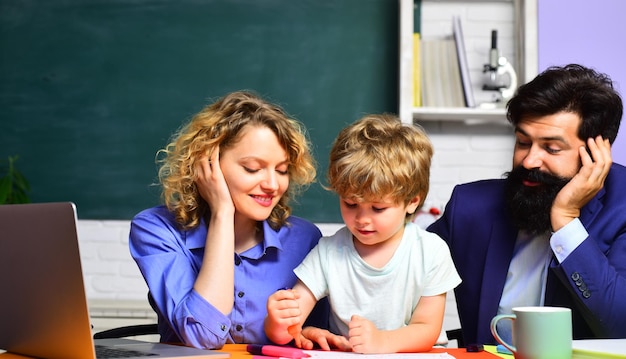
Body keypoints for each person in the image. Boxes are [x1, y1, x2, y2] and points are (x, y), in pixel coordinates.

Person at [428, 64, 626, 345]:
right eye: (523, 142)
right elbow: (402, 269)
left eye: (551, 148)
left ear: (596, 154)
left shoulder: (622, 208)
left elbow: (619, 326)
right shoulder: (471, 207)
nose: (529, 160)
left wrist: (566, 220)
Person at [129, 90, 329, 349]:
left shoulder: (305, 240)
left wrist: (309, 333)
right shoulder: (156, 230)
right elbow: (202, 336)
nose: (271, 184)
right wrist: (223, 212)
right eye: (252, 169)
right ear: (207, 163)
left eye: (282, 170)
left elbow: (316, 336)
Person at [264, 114, 462, 354]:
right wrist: (278, 322)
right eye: (350, 203)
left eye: (378, 208)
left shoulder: (431, 251)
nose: (362, 219)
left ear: (411, 202)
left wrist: (382, 342)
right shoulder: (328, 252)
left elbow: (426, 328)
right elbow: (287, 329)